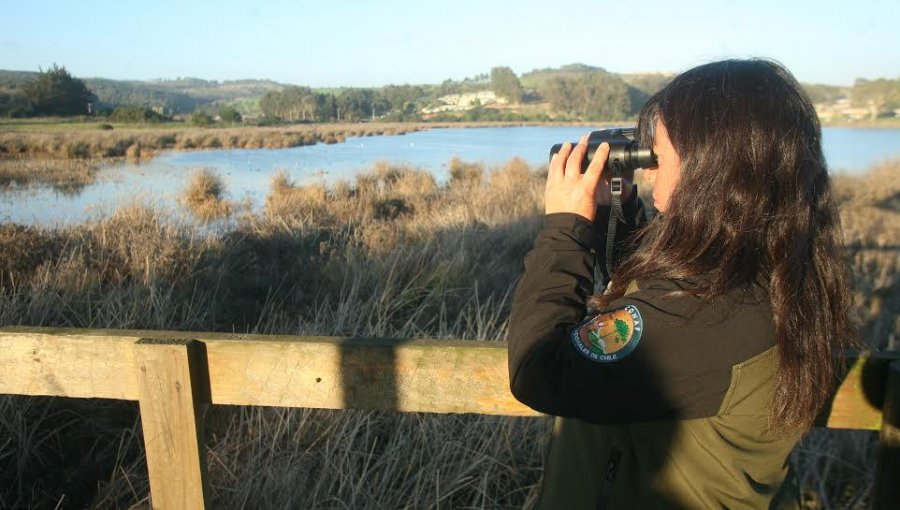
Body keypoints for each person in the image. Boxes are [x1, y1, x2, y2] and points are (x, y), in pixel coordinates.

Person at [506, 59, 857, 509]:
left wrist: (565, 227)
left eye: (660, 155)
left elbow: (540, 371)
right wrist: (619, 204)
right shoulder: (767, 268)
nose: (649, 169)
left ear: (711, 165)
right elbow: (653, 294)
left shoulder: (711, 313)